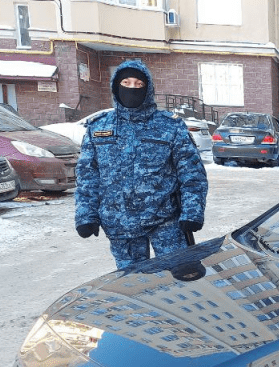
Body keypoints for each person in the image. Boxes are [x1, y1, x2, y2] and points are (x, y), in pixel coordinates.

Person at [75, 59, 208, 270]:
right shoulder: (99, 127)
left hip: (165, 222)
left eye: (139, 84)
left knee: (179, 277)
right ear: (116, 87)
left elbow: (192, 173)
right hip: (120, 225)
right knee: (134, 284)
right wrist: (86, 215)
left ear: (148, 89)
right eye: (126, 83)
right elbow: (87, 176)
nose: (132, 89)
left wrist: (192, 212)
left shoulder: (169, 126)